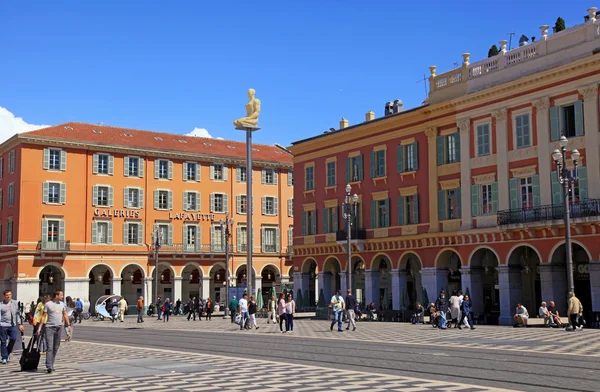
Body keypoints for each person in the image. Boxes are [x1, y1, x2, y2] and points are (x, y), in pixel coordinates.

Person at [37, 289, 71, 373]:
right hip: (49, 327)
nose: (62, 296)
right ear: (57, 296)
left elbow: (65, 314)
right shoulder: (48, 304)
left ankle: (51, 363)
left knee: (55, 347)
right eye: (61, 295)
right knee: (50, 347)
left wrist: (68, 325)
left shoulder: (62, 304)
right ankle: (49, 366)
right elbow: (44, 316)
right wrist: (40, 327)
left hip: (59, 327)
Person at [0, 290, 25, 364]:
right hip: (2, 325)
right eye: (7, 295)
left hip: (12, 324)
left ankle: (7, 353)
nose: (9, 296)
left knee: (13, 338)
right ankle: (4, 357)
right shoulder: (1, 305)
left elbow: (18, 314)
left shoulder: (15, 303)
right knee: (3, 341)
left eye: (10, 295)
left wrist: (20, 324)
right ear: (4, 296)